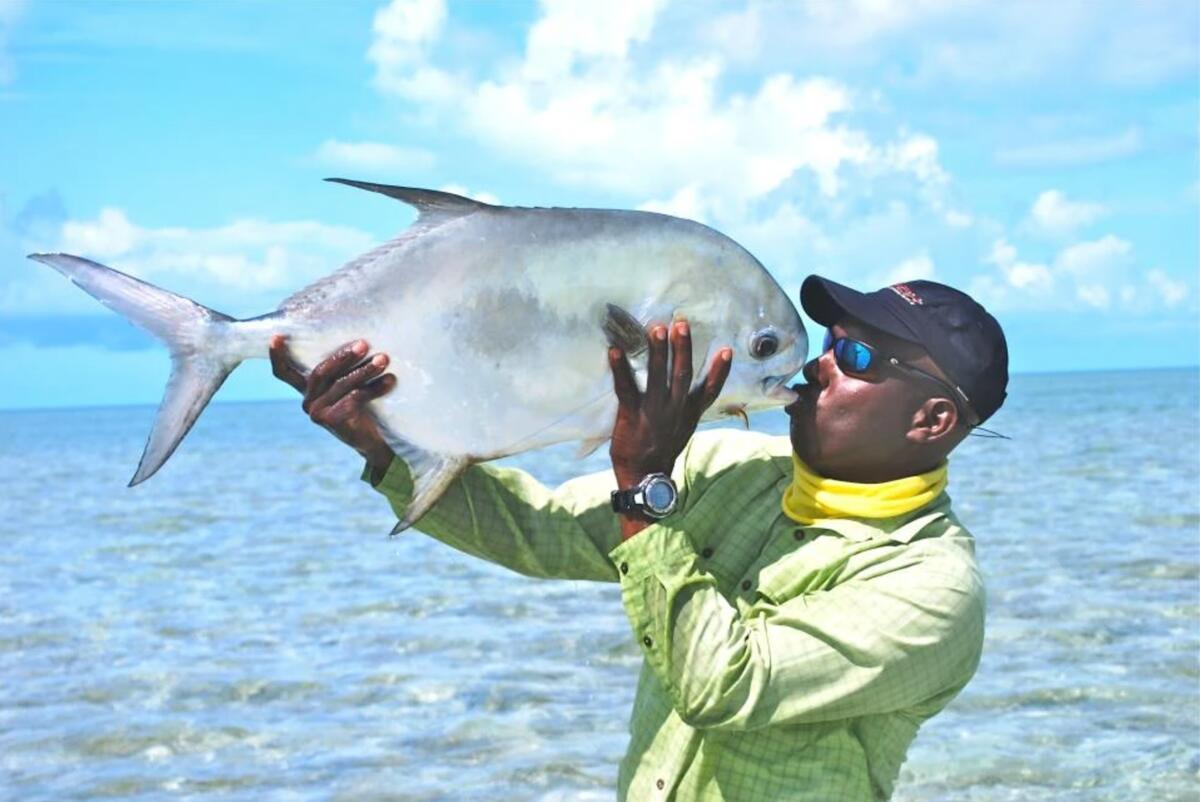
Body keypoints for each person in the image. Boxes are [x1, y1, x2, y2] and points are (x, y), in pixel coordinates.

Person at [268, 275, 1009, 802]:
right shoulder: (734, 466)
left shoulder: (932, 590)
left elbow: (725, 684)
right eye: (828, 343)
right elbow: (539, 532)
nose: (816, 365)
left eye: (854, 359)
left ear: (932, 421)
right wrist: (383, 444)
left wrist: (645, 481)